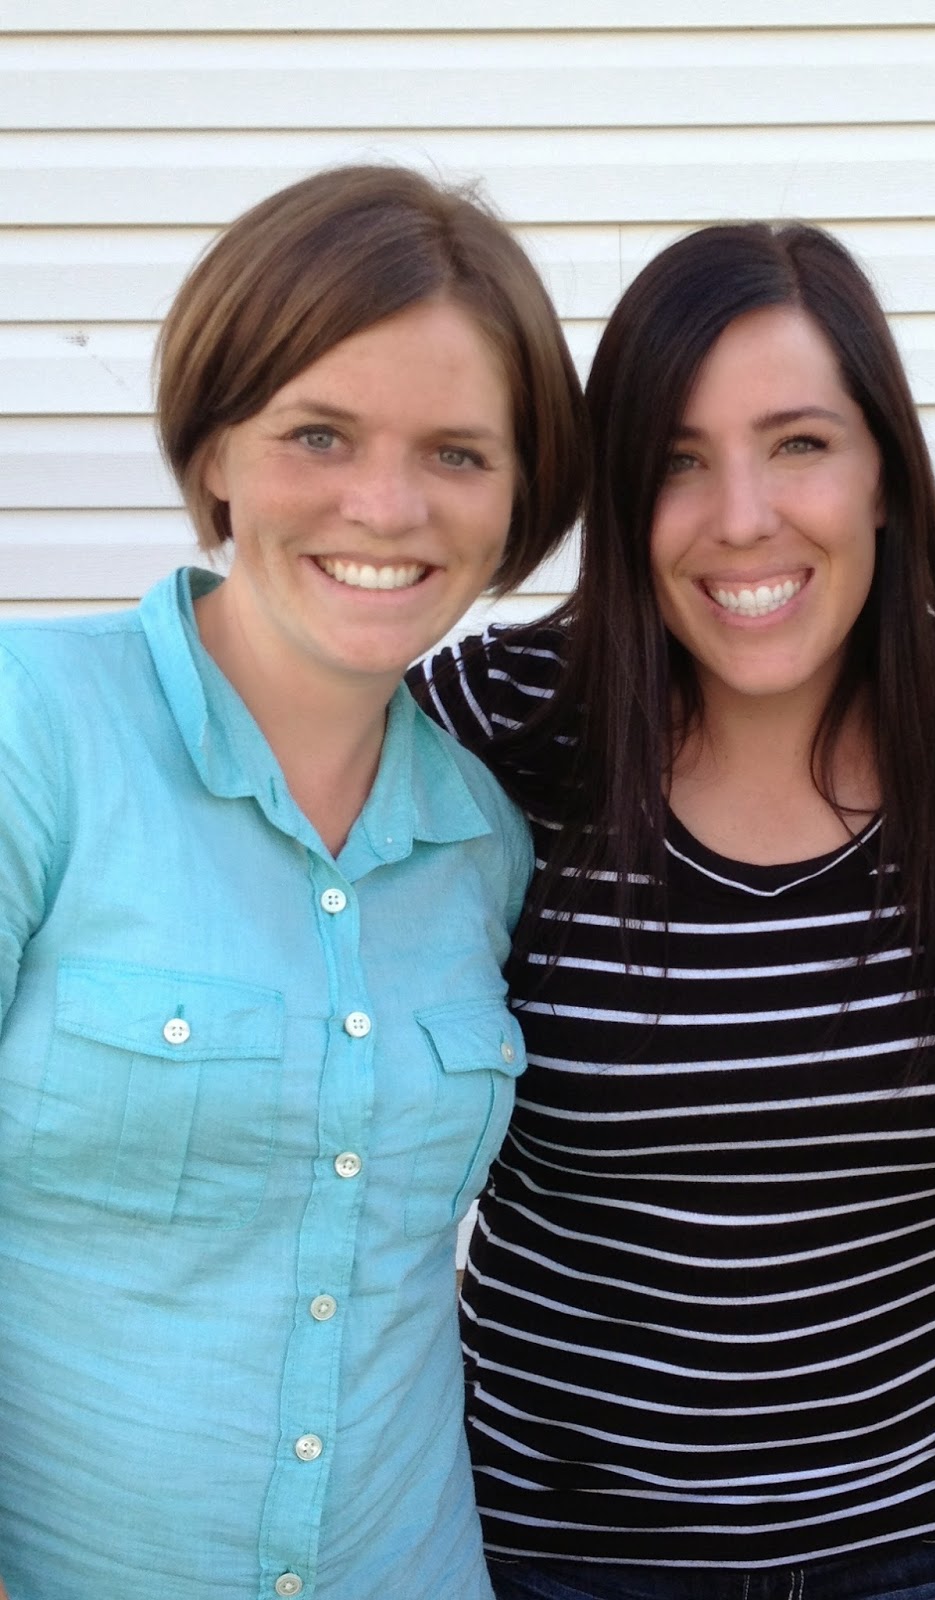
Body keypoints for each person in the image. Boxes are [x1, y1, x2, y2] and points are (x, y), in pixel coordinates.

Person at [412, 221, 935, 1600]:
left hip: (923, 1541)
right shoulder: (495, 730)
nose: (744, 517)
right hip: (568, 1550)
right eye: (677, 462)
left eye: (801, 443)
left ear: (886, 470)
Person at [0, 164, 586, 1600]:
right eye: (318, 434)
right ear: (215, 451)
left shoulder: (484, 840)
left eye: (458, 453)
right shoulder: (35, 732)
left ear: (518, 499)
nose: (385, 505)